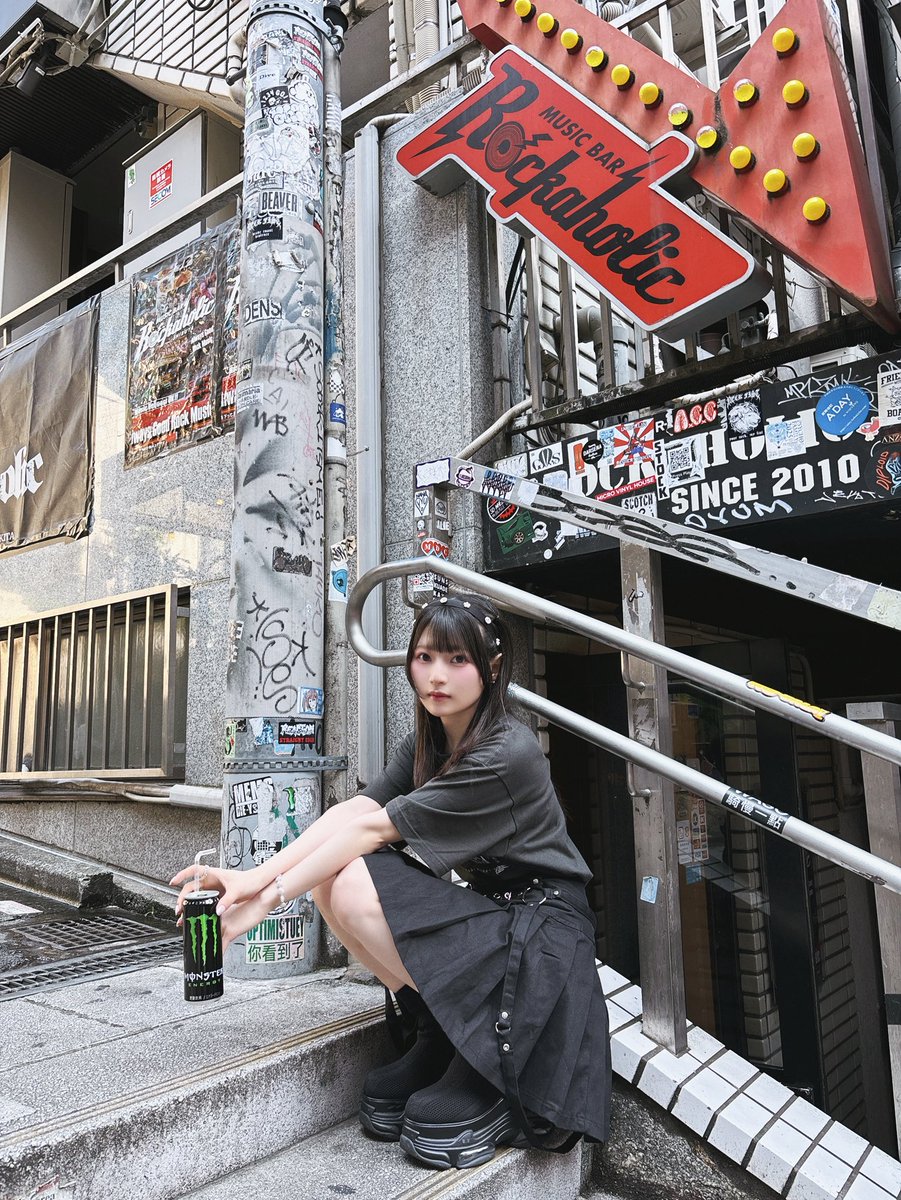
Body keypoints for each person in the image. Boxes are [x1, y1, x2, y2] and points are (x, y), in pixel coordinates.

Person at [171, 593, 611, 1170]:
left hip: (545, 935)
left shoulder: (507, 752)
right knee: (332, 878)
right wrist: (250, 875)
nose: (436, 675)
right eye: (425, 657)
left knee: (353, 874)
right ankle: (440, 1031)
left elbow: (370, 831)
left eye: (457, 659)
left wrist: (261, 903)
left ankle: (490, 1070)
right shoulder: (432, 737)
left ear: (492, 667)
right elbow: (352, 812)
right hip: (497, 915)